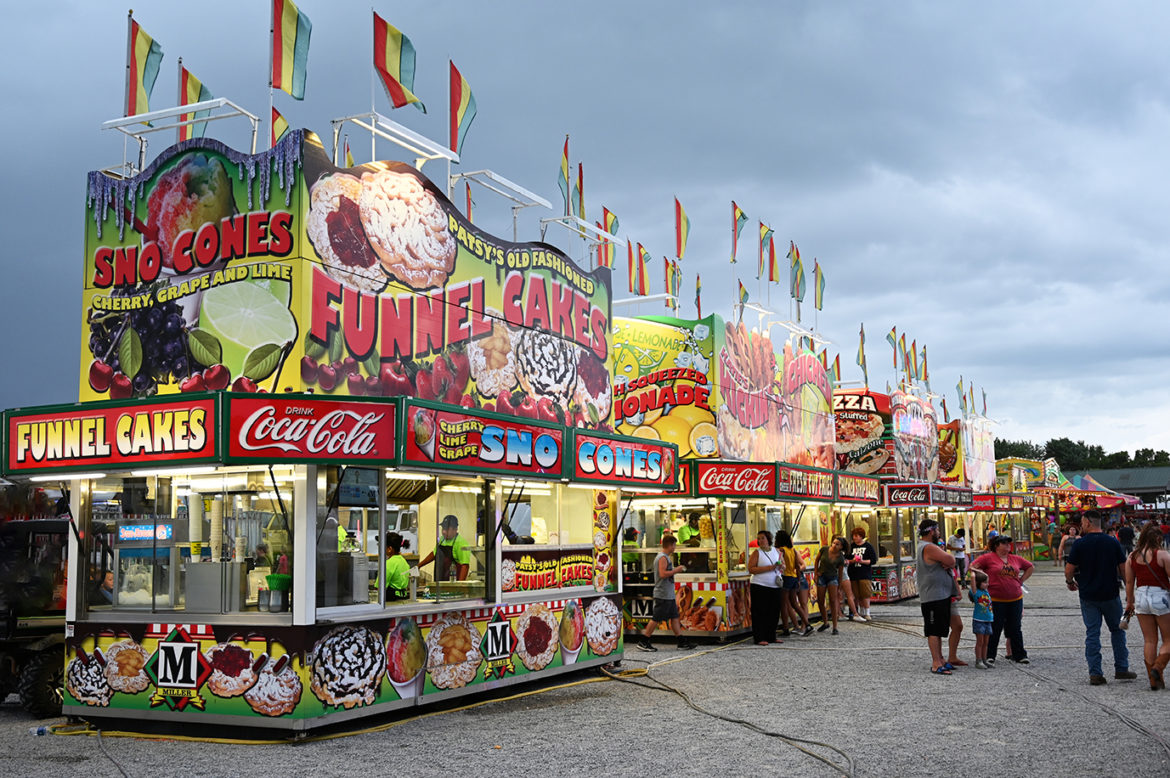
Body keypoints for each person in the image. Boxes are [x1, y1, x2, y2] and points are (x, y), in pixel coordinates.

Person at [1065, 511, 1136, 685]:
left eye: (1082, 522)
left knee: (1092, 633)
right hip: (1111, 594)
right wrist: (1129, 594)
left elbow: (1069, 568)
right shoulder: (1112, 542)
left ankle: (1095, 673)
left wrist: (1070, 582)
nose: (1081, 525)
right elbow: (1123, 568)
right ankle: (1121, 668)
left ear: (1088, 523)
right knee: (1118, 631)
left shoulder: (1080, 544)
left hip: (1088, 595)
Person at [970, 534, 1034, 665]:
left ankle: (1019, 654)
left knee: (1015, 627)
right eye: (1004, 543)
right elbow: (972, 566)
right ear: (996, 546)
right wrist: (983, 578)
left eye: (1008, 543)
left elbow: (1030, 567)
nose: (1007, 545)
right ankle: (989, 655)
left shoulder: (1015, 558)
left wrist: (1021, 581)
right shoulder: (988, 558)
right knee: (995, 627)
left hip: (1015, 598)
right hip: (995, 599)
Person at [1123, 523, 1170, 689]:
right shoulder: (1162, 555)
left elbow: (1129, 582)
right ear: (1158, 538)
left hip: (1141, 597)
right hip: (1160, 598)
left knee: (1150, 640)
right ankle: (1158, 667)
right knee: (1168, 639)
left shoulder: (1132, 557)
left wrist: (1130, 602)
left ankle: (1154, 680)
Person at [637, 535, 694, 651]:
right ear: (671, 545)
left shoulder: (664, 557)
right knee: (656, 618)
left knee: (674, 617)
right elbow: (662, 574)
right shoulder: (662, 558)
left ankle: (681, 641)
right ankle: (644, 641)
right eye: (674, 545)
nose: (675, 548)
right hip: (663, 594)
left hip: (668, 594)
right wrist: (676, 570)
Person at [917, 518, 958, 674]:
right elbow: (951, 559)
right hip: (932, 595)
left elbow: (949, 562)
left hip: (940, 594)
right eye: (938, 530)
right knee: (933, 630)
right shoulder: (927, 547)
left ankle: (941, 659)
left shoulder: (931, 546)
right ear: (932, 531)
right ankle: (936, 663)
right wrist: (947, 561)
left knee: (940, 629)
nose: (940, 534)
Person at [747, 530, 783, 645]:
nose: (760, 541)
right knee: (760, 611)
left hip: (774, 585)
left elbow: (783, 565)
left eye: (763, 538)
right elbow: (751, 569)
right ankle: (759, 637)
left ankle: (771, 635)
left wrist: (781, 566)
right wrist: (770, 568)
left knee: (774, 611)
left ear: (768, 539)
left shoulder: (776, 551)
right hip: (759, 585)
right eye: (759, 538)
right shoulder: (757, 553)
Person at [777, 530, 812, 636]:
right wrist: (797, 580)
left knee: (784, 604)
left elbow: (779, 563)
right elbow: (797, 565)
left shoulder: (781, 550)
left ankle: (786, 629)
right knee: (795, 603)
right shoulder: (792, 550)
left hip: (785, 577)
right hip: (793, 577)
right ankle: (807, 625)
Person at [418, 515, 471, 582]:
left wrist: (459, 586)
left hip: (452, 583)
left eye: (446, 529)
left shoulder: (462, 543)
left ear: (455, 529)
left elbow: (465, 566)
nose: (443, 531)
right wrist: (419, 565)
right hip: (440, 581)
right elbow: (434, 554)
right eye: (443, 528)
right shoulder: (442, 539)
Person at [815, 537, 847, 635]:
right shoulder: (824, 549)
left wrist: (840, 587)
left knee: (833, 601)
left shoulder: (841, 557)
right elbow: (817, 560)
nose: (834, 545)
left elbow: (840, 573)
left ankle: (835, 626)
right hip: (822, 576)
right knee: (820, 600)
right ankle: (825, 622)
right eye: (833, 543)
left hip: (833, 578)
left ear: (841, 547)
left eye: (837, 544)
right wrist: (816, 572)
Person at [848, 526, 878, 620]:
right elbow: (847, 559)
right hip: (853, 573)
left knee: (865, 593)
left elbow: (873, 560)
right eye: (853, 536)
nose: (854, 537)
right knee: (856, 594)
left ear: (861, 536)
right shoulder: (851, 546)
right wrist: (852, 561)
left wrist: (862, 561)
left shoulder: (868, 546)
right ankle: (859, 612)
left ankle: (867, 612)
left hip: (865, 573)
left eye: (856, 536)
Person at [969, 569, 994, 669]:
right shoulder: (976, 592)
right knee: (980, 642)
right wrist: (973, 570)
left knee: (986, 642)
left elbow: (986, 574)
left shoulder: (986, 591)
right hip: (979, 621)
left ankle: (984, 659)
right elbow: (972, 577)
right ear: (979, 583)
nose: (987, 584)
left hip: (988, 620)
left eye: (987, 582)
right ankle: (978, 660)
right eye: (984, 582)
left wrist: (977, 570)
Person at [385, 531, 410, 600]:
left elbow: (380, 586)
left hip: (392, 598)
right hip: (403, 597)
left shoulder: (389, 563)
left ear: (389, 549)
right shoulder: (404, 561)